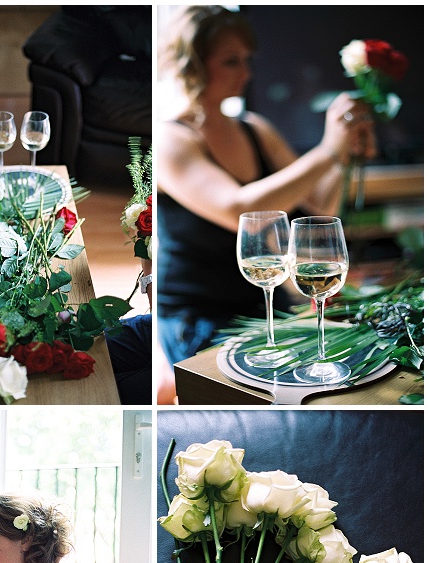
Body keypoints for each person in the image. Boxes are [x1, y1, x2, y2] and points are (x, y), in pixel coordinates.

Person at [156, 5, 377, 365]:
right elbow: (238, 210)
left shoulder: (255, 128)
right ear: (191, 63)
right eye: (231, 61)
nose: (246, 72)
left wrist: (345, 155)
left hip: (266, 304)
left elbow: (321, 205)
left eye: (247, 59)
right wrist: (326, 151)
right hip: (198, 317)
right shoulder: (170, 139)